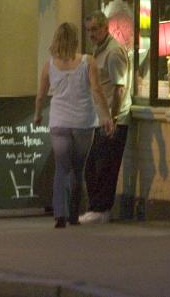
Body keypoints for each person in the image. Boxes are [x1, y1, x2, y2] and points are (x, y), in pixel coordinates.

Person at [34, 22, 114, 228]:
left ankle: (60, 215)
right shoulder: (88, 61)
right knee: (78, 169)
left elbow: (41, 94)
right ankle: (74, 214)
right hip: (83, 123)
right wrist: (106, 116)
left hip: (59, 122)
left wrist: (37, 115)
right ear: (76, 40)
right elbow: (97, 90)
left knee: (61, 167)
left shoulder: (49, 65)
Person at [80, 11, 132, 224]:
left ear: (105, 28)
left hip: (112, 119)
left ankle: (101, 209)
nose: (91, 34)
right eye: (88, 30)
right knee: (93, 165)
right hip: (101, 118)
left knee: (104, 166)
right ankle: (96, 207)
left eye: (95, 29)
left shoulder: (113, 53)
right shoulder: (98, 51)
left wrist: (114, 118)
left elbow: (119, 88)